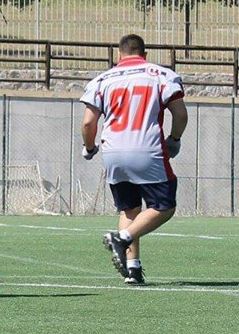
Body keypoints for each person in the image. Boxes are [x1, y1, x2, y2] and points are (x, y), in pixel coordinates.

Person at [80, 34, 188, 285]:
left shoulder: (102, 79)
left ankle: (132, 268)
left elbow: (88, 122)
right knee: (164, 206)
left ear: (119, 55)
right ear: (144, 54)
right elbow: (180, 113)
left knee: (129, 209)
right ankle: (122, 238)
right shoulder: (162, 75)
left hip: (113, 152)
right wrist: (175, 138)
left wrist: (89, 148)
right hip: (147, 149)